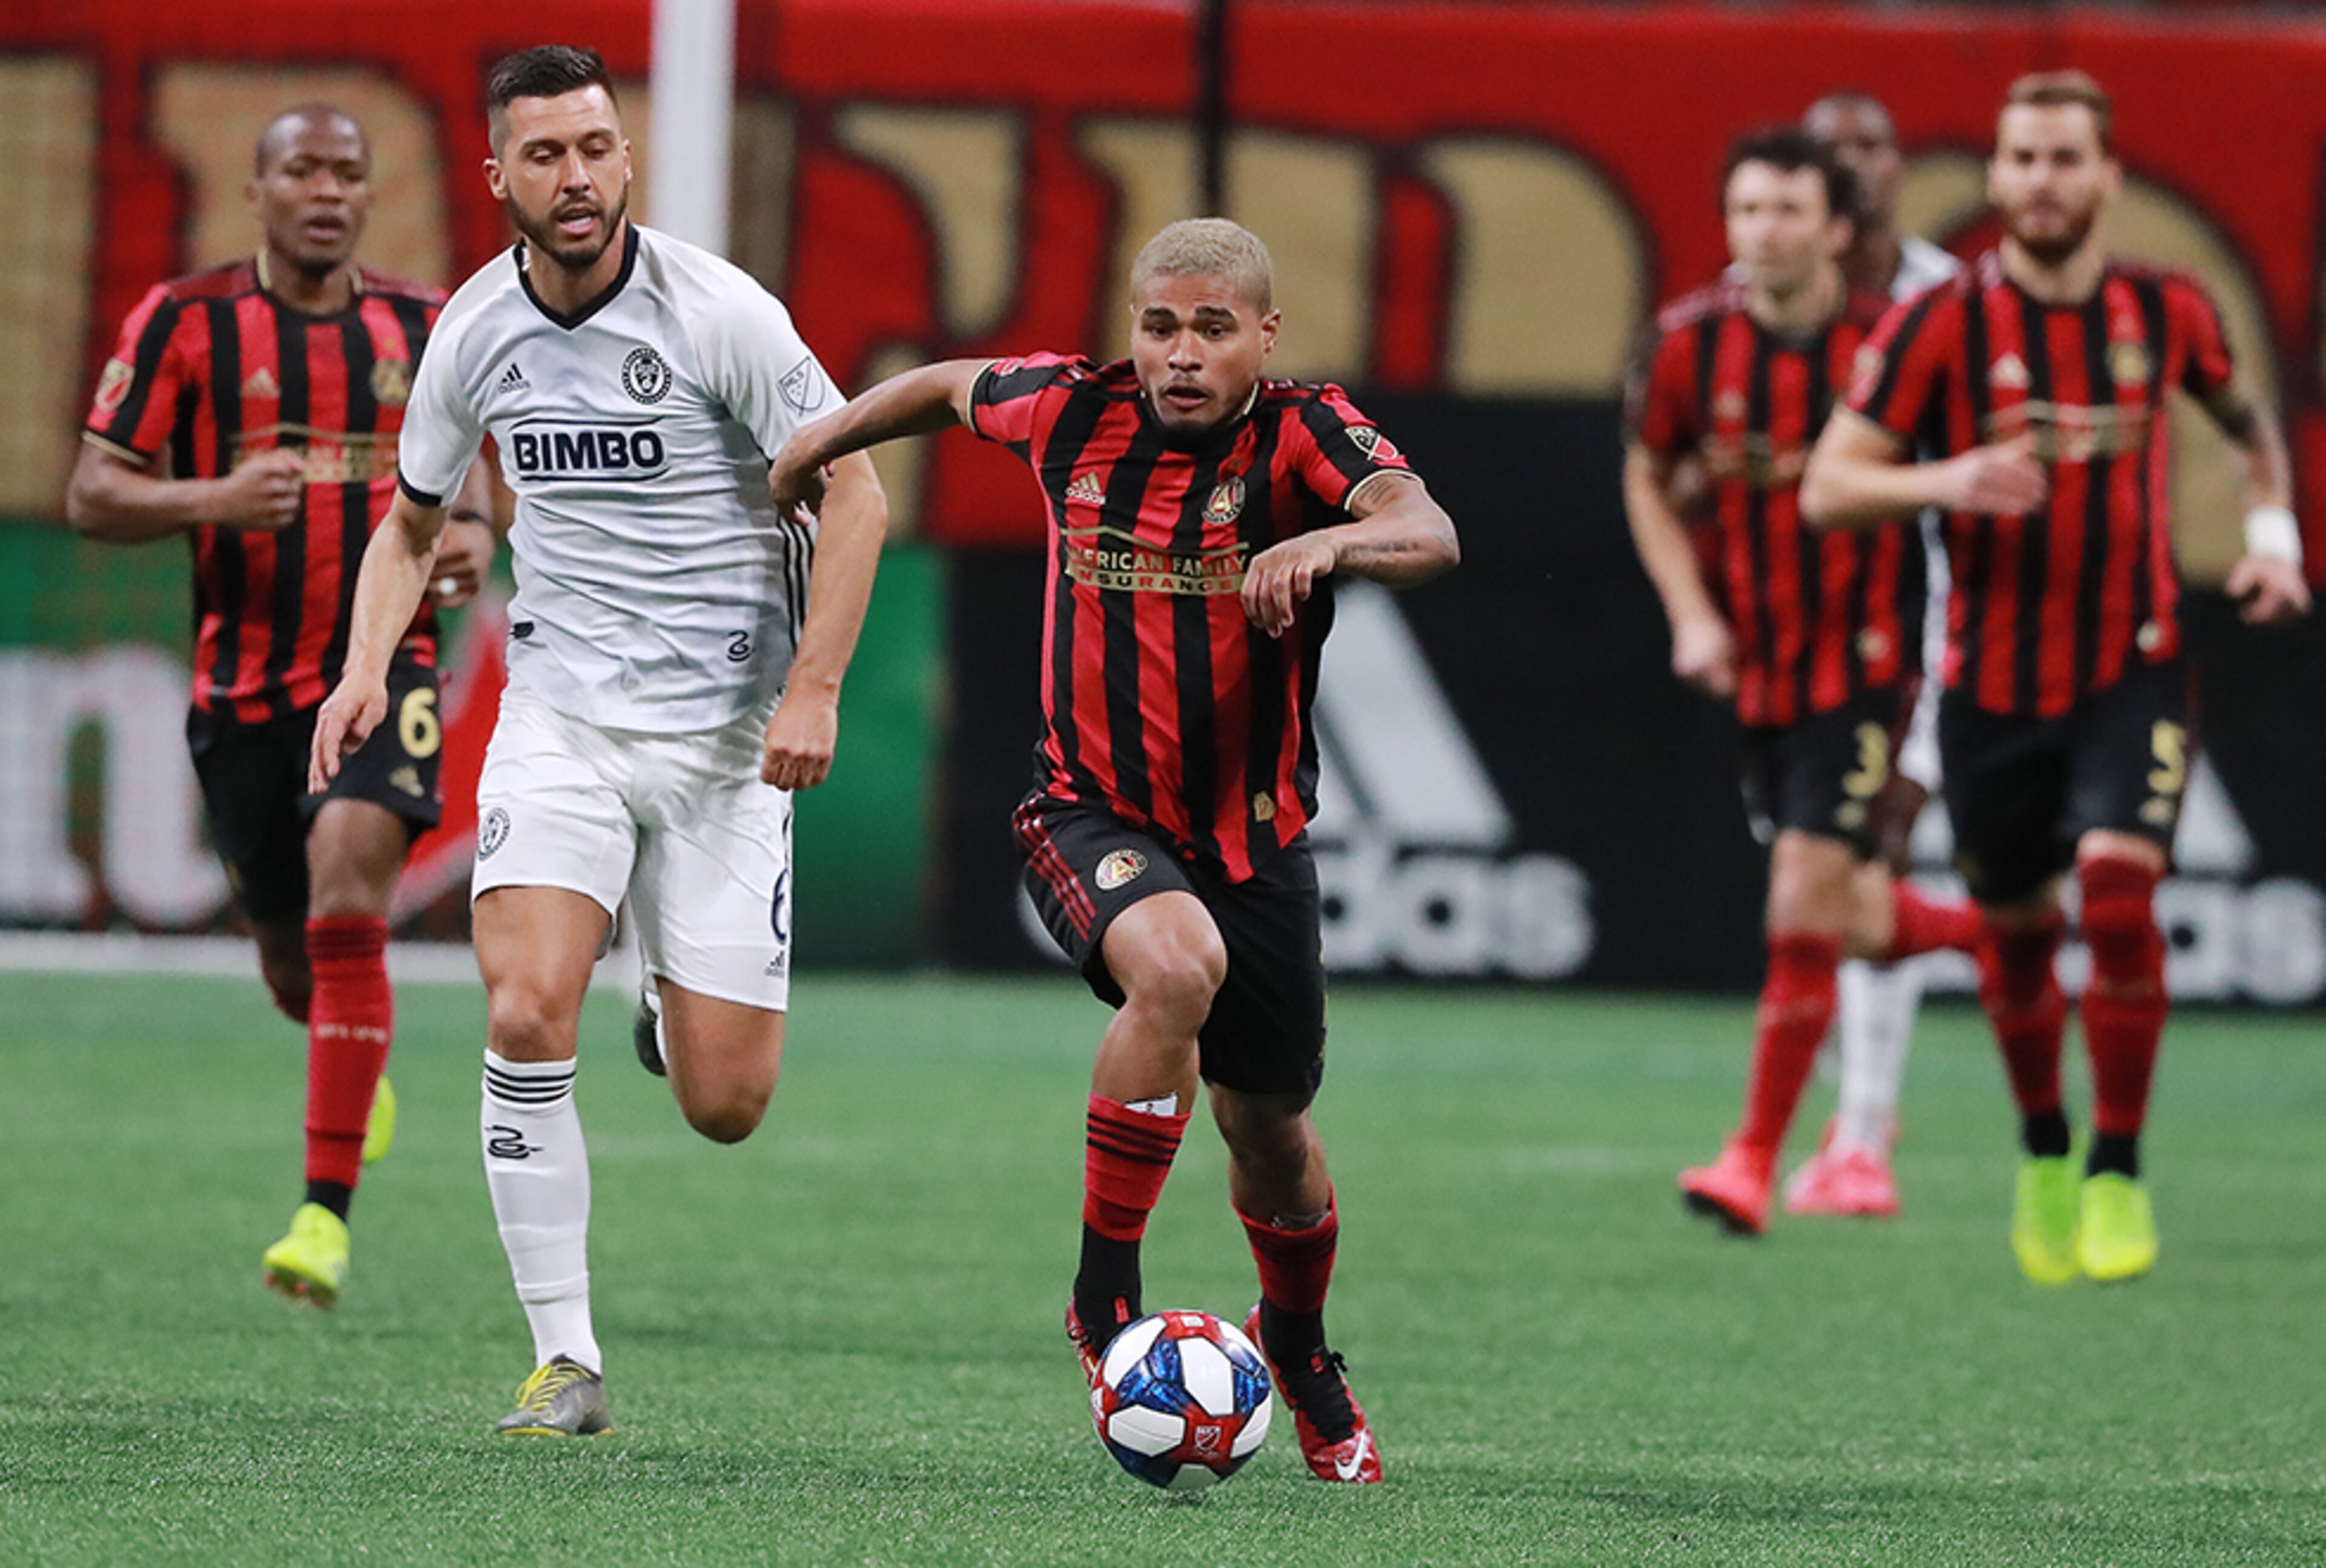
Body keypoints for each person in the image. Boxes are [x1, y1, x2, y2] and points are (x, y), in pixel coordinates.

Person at [767, 217, 1458, 1484]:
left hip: (1257, 845)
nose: (1181, 354)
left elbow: (1429, 529)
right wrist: (819, 439)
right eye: (1159, 326)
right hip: (1088, 811)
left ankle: (1296, 1343)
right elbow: (941, 385)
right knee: (1175, 964)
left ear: (1264, 334)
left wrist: (1327, 538)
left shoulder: (1306, 435)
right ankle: (1103, 1298)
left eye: (1210, 328)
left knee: (1275, 1138)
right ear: (1130, 327)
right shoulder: (1069, 411)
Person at [310, 44, 887, 1432]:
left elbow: (857, 496)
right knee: (519, 1009)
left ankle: (667, 988)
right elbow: (409, 524)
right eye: (548, 155)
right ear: (499, 173)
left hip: (727, 744)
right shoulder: (473, 332)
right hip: (561, 718)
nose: (579, 178)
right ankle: (565, 1357)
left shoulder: (720, 311)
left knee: (726, 1105)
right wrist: (361, 666)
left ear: (626, 157)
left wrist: (813, 688)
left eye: (598, 148)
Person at [1803, 71, 2308, 1283]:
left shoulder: (2167, 309)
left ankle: (2119, 1165)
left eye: (2064, 159)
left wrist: (2274, 539)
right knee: (2019, 939)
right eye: (2021, 159)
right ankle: (2043, 1145)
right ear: (1996, 177)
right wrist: (1946, 480)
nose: (2040, 181)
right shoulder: (1940, 328)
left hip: (2129, 668)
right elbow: (1830, 483)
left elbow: (2249, 428)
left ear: (2105, 177)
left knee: (2120, 898)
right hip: (1987, 692)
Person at [67, 104, 497, 1308]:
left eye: (348, 174)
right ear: (255, 191)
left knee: (352, 887)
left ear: (369, 196)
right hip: (242, 690)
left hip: (383, 666)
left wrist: (468, 534)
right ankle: (345, 1058)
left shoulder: (426, 327)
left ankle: (322, 1217)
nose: (328, 192)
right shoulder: (187, 322)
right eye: (302, 170)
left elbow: (487, 476)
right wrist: (210, 497)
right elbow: (95, 490)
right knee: (290, 957)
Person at [1626, 128, 1983, 1238]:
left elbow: (1972, 482)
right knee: (1849, 914)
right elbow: (1645, 471)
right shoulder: (1690, 346)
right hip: (1764, 673)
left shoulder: (1895, 344)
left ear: (1836, 229)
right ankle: (2003, 931)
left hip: (1878, 668)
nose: (1762, 232)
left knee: (1798, 910)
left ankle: (1753, 1159)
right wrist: (1692, 612)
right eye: (1745, 211)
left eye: (1786, 210)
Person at [1780, 91, 1969, 1219]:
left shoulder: (1951, 300)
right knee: (1830, 880)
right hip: (1802, 637)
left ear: (1898, 165)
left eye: (1870, 144)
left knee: (1866, 860)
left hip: (1923, 627)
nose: (1853, 165)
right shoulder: (1776, 303)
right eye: (1829, 150)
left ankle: (1859, 1130)